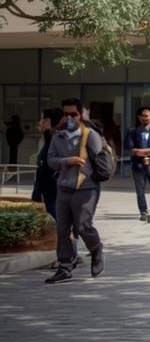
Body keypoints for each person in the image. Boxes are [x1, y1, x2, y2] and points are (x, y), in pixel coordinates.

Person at [44, 98, 105, 283]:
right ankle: (65, 266)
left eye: (73, 114)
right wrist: (66, 161)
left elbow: (101, 161)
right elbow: (51, 160)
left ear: (80, 115)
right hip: (64, 187)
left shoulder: (90, 135)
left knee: (83, 225)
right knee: (62, 229)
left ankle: (96, 249)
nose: (69, 117)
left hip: (86, 187)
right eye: (66, 114)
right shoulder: (58, 136)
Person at [31, 109, 60, 220]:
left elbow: (47, 165)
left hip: (50, 186)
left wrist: (39, 190)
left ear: (48, 121)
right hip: (46, 185)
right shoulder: (47, 138)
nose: (40, 122)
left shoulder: (53, 139)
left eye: (42, 119)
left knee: (53, 215)